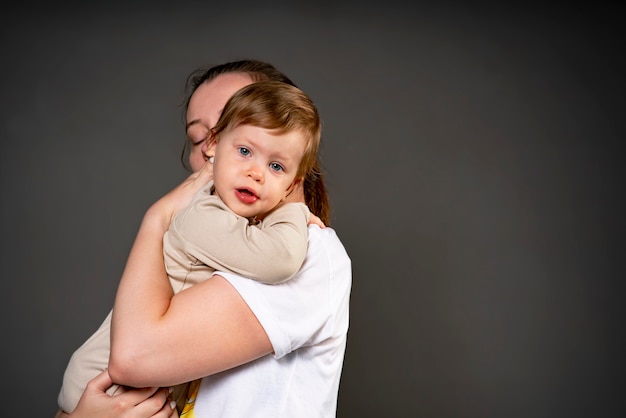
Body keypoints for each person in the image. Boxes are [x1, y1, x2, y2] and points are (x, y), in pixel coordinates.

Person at [61, 59, 351, 417]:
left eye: (274, 161)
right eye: (203, 139)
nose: (213, 154)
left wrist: (157, 219)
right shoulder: (205, 227)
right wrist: (159, 217)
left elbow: (134, 356)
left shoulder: (313, 253)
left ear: (295, 171)